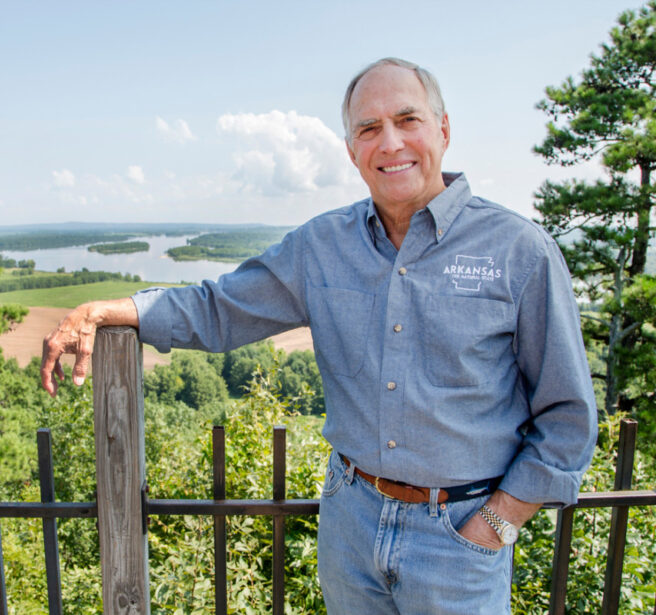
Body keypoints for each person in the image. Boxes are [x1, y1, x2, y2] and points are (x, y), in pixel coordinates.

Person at [39, 57, 598, 614]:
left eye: (408, 120)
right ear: (352, 150)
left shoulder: (519, 251)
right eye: (369, 129)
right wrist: (116, 308)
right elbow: (220, 307)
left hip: (459, 539)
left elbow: (568, 416)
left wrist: (494, 524)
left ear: (444, 130)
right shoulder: (322, 245)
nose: (391, 142)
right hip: (350, 526)